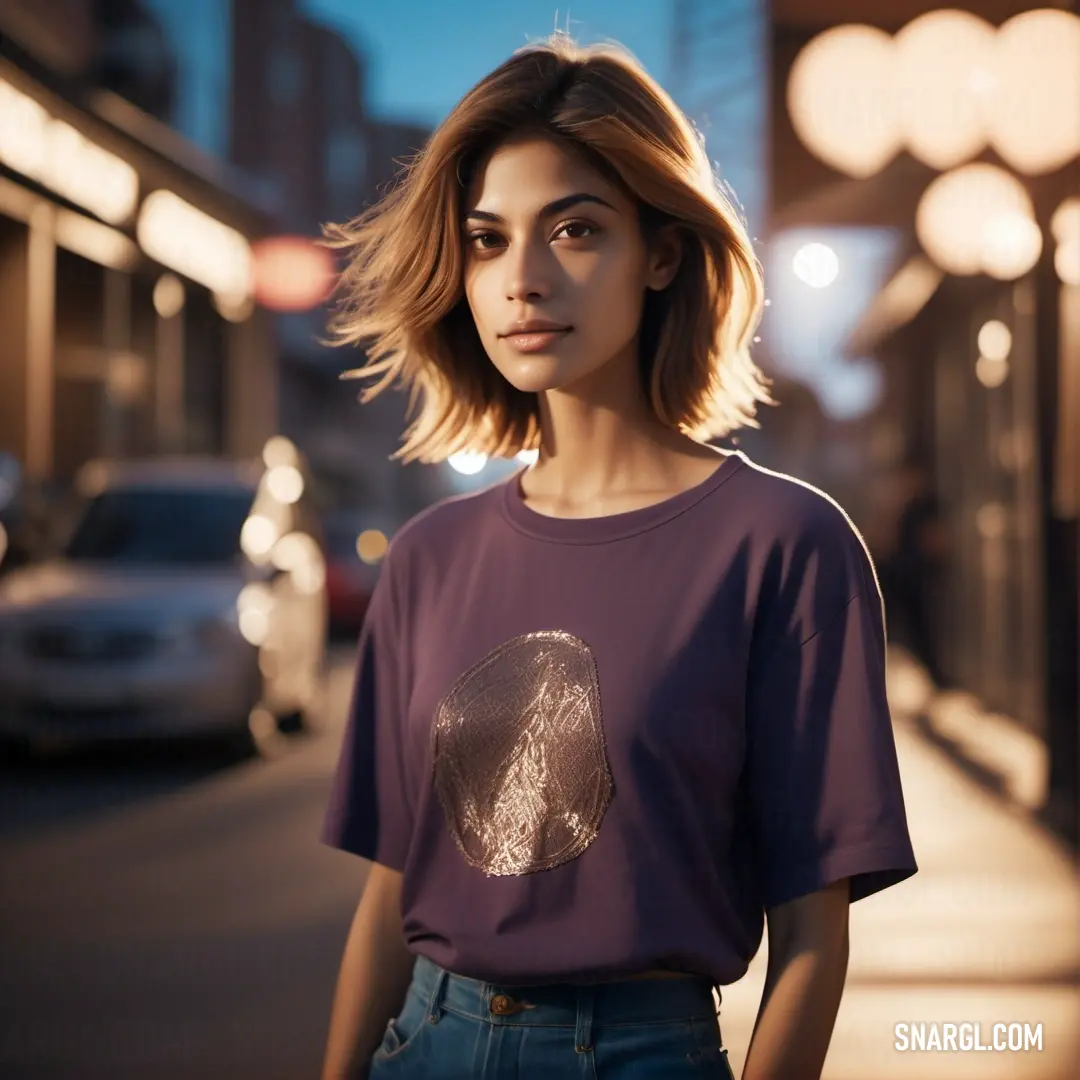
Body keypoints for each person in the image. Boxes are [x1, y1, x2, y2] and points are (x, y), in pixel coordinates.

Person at [318, 33, 918, 1080]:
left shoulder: (784, 545)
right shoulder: (427, 558)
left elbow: (814, 940)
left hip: (640, 1052)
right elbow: (388, 896)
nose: (523, 280)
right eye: (488, 240)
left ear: (663, 252)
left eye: (576, 230)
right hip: (425, 1041)